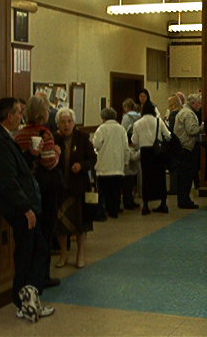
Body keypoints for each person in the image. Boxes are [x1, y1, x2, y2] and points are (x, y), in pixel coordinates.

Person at [0, 97, 54, 322]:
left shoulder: (6, 137)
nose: (20, 117)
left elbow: (15, 167)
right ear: (9, 116)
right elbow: (7, 180)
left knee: (36, 248)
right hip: (17, 207)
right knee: (29, 252)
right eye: (18, 113)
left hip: (21, 204)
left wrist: (30, 155)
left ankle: (28, 296)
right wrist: (26, 208)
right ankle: (24, 299)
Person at [14, 95, 61, 288]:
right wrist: (57, 153)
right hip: (45, 189)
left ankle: (28, 274)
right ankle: (42, 275)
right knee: (46, 232)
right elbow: (49, 162)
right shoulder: (46, 134)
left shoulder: (19, 135)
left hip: (26, 189)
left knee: (30, 233)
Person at [54, 108, 96, 269]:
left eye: (69, 121)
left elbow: (92, 159)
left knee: (79, 223)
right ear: (58, 124)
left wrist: (82, 165)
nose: (66, 125)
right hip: (60, 187)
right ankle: (63, 254)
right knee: (61, 224)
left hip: (78, 187)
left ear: (74, 123)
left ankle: (80, 254)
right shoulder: (55, 139)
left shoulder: (82, 137)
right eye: (63, 122)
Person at [132, 101, 171, 215]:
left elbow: (135, 141)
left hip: (145, 152)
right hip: (158, 151)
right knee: (160, 177)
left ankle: (146, 205)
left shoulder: (137, 123)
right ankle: (163, 203)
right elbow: (168, 135)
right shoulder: (158, 121)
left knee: (146, 178)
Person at [92, 107, 129, 219]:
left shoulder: (102, 129)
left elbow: (96, 144)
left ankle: (104, 210)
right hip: (118, 167)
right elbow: (126, 148)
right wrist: (126, 162)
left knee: (104, 191)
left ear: (103, 117)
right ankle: (114, 210)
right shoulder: (121, 129)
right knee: (116, 191)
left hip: (104, 167)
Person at [174, 94, 202, 209]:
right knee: (186, 176)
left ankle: (183, 199)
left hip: (181, 147)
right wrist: (202, 127)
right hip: (187, 148)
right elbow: (192, 130)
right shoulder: (189, 114)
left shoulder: (183, 111)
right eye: (199, 103)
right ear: (193, 103)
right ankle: (185, 200)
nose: (200, 105)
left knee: (183, 176)